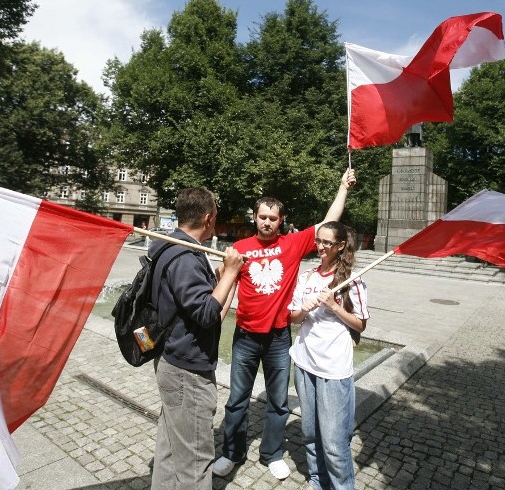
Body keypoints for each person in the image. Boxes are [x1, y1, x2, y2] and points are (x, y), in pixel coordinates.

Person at [214, 168, 356, 480]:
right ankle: (231, 453)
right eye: (262, 217)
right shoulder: (239, 250)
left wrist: (342, 188)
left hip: (279, 337)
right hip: (245, 336)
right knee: (237, 400)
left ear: (281, 220)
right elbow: (225, 288)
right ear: (255, 217)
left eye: (273, 218)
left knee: (278, 403)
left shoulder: (292, 244)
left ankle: (272, 453)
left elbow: (328, 223)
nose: (266, 222)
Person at [150, 187, 244, 490]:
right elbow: (205, 314)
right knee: (194, 461)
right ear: (208, 218)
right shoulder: (185, 257)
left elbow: (210, 316)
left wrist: (225, 283)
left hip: (172, 359)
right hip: (186, 373)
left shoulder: (166, 245)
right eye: (215, 215)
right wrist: (229, 274)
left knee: (170, 449)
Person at [289, 222, 369, 490]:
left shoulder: (352, 280)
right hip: (303, 362)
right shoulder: (308, 276)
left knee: (335, 443)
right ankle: (317, 480)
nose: (320, 247)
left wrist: (334, 306)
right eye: (318, 241)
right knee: (310, 433)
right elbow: (293, 317)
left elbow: (359, 325)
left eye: (327, 243)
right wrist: (303, 308)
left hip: (333, 369)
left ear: (341, 246)